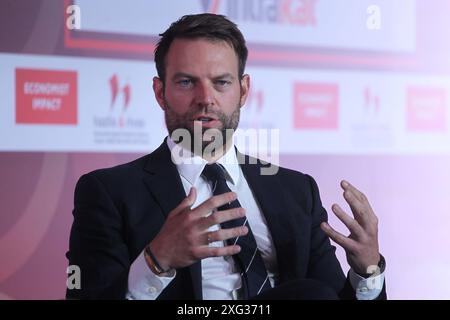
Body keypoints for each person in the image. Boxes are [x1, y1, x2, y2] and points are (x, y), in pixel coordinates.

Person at [66, 13, 386, 300]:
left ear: (244, 91)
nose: (206, 99)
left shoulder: (297, 191)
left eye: (221, 83)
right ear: (160, 92)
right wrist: (156, 261)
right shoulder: (108, 192)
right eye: (187, 82)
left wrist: (367, 271)